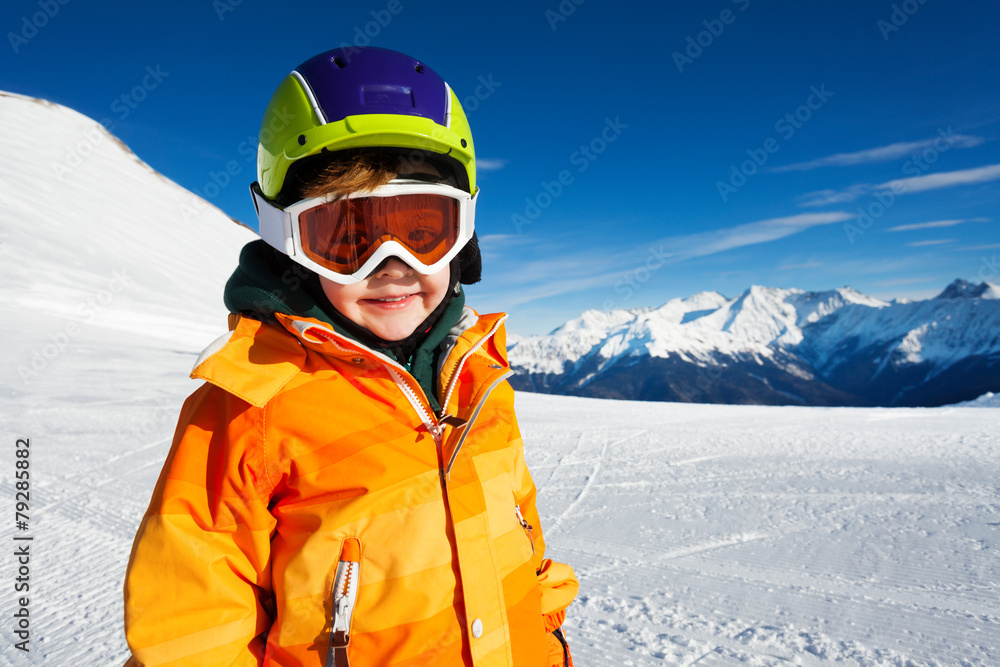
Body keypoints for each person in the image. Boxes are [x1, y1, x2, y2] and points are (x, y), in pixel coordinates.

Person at [122, 46, 578, 667]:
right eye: (347, 238)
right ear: (289, 241)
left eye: (423, 231)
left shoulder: (480, 378)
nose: (392, 268)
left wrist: (545, 640)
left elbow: (521, 543)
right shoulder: (246, 409)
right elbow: (190, 630)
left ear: (463, 235)